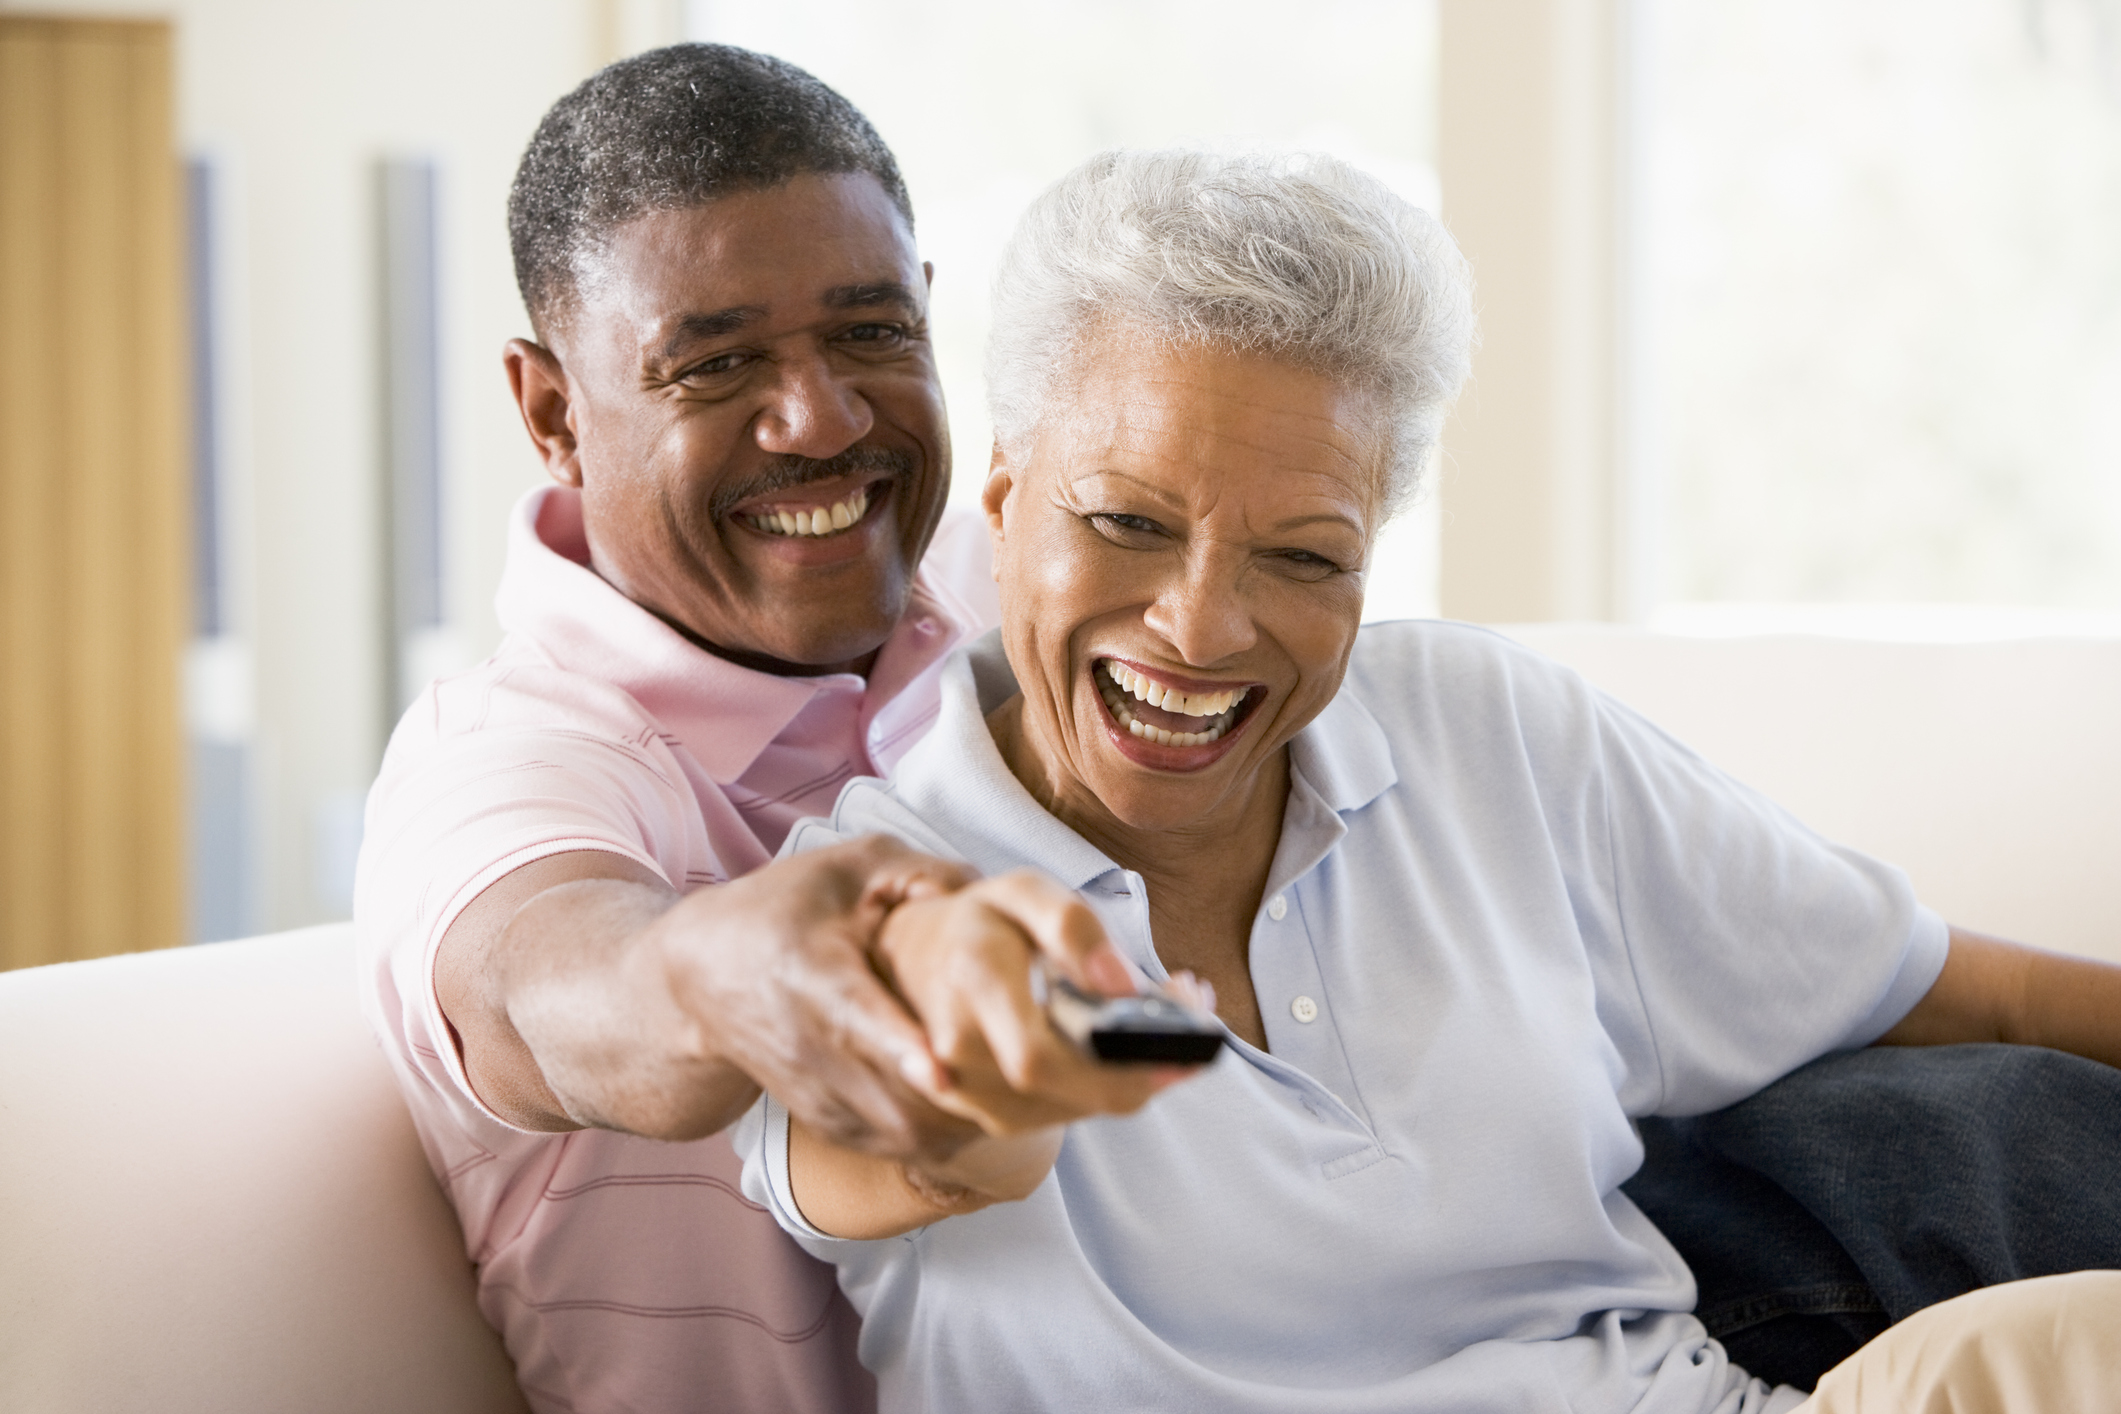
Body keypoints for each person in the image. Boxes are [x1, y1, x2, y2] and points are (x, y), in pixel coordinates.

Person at [735, 147, 2121, 1413]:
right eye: (1126, 522)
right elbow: (906, 1145)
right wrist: (1001, 1069)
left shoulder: (1479, 727)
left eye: (1303, 556)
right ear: (1003, 502)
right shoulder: (852, 902)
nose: (1205, 626)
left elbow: (1956, 992)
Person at [357, 44, 1157, 1414]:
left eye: (870, 332)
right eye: (715, 363)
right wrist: (738, 968)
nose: (824, 419)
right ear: (552, 409)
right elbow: (555, 988)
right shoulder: (502, 764)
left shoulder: (1011, 589)